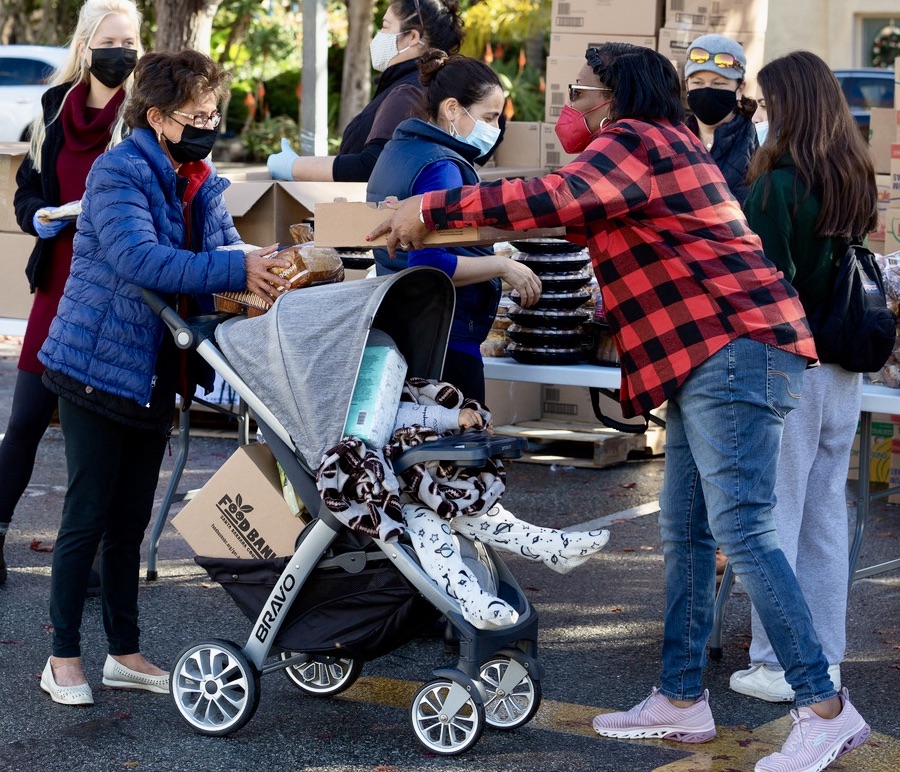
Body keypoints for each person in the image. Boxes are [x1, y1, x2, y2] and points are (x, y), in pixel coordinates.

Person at [367, 43, 872, 772]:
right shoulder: (660, 148)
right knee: (688, 530)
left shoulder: (637, 141)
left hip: (735, 351)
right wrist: (436, 219)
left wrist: (427, 205)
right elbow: (557, 209)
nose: (570, 107)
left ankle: (823, 707)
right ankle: (679, 698)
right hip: (716, 356)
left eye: (579, 91)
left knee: (743, 530)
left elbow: (553, 198)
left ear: (613, 95)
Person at [35, 49, 292, 707]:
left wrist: (267, 275)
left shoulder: (200, 178)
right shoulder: (117, 172)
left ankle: (123, 653)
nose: (209, 123)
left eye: (212, 112)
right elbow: (141, 259)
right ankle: (62, 656)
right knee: (86, 517)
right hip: (93, 366)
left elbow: (220, 253)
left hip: (154, 370)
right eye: (195, 114)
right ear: (156, 117)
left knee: (129, 520)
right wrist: (239, 272)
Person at [730, 50, 878, 706]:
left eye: (765, 103)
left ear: (786, 105)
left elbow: (764, 286)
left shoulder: (775, 185)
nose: (758, 115)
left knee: (774, 515)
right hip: (844, 365)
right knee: (822, 514)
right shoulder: (853, 171)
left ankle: (776, 661)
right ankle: (823, 657)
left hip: (786, 361)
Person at [0, 0, 142, 586]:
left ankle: (84, 562)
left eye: (130, 41)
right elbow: (27, 186)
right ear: (85, 47)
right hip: (57, 277)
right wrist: (39, 217)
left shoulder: (143, 113)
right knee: (27, 418)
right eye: (110, 41)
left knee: (98, 429)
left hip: (114, 288)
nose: (122, 52)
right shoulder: (54, 109)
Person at [319, 374, 610, 631]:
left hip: (418, 489)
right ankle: (472, 599)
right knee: (433, 529)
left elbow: (402, 410)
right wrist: (450, 418)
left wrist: (458, 420)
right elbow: (397, 418)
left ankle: (551, 546)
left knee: (480, 514)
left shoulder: (376, 393)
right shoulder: (345, 412)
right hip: (390, 505)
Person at [366, 50, 541, 401]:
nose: (494, 130)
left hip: (399, 326)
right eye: (489, 118)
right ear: (451, 109)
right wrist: (503, 266)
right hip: (446, 334)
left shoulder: (399, 151)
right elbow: (429, 263)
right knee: (462, 443)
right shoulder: (441, 167)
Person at [266, 0, 466, 182]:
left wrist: (293, 166)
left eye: (386, 26)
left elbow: (373, 166)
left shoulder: (409, 91)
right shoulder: (410, 85)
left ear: (413, 36)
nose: (379, 35)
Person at [682, 33, 758, 203]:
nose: (707, 90)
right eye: (698, 83)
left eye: (719, 84)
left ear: (740, 88)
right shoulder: (675, 140)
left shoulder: (755, 139)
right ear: (686, 85)